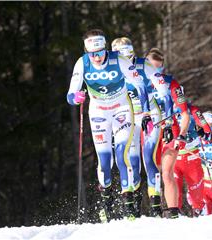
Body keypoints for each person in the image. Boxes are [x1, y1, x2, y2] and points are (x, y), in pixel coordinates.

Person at [66, 29, 153, 222]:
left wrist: (145, 111)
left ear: (105, 48)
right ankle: (106, 203)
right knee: (105, 161)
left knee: (122, 154)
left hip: (122, 109)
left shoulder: (118, 60)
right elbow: (71, 93)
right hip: (98, 112)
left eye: (100, 52)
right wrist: (75, 97)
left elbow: (139, 84)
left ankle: (129, 203)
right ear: (87, 52)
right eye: (92, 53)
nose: (97, 57)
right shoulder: (83, 63)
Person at [111, 37, 173, 217]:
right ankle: (132, 204)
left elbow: (165, 93)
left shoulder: (144, 65)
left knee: (149, 157)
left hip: (150, 115)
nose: (125, 64)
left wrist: (168, 122)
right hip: (128, 115)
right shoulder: (111, 67)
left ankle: (155, 206)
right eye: (121, 59)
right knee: (132, 160)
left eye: (128, 58)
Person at [146, 48, 191, 218]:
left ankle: (173, 211)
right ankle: (155, 209)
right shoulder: (139, 83)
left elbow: (185, 114)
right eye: (151, 67)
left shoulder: (172, 84)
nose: (155, 72)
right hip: (149, 131)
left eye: (158, 68)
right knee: (152, 171)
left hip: (169, 130)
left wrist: (182, 134)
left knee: (166, 172)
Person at [173, 103, 212, 217]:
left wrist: (202, 133)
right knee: (174, 185)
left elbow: (209, 135)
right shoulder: (168, 108)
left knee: (196, 190)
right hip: (174, 156)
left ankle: (198, 211)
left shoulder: (194, 110)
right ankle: (175, 211)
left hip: (192, 157)